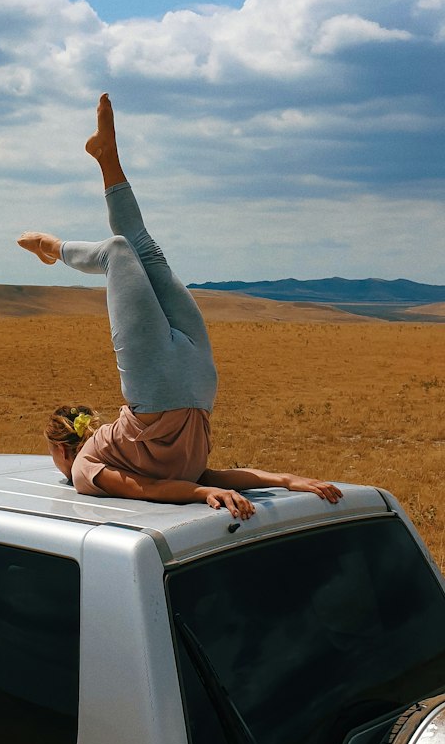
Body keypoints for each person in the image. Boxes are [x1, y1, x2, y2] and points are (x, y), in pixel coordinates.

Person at [18, 94, 342, 520]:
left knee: (128, 250)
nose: (59, 466)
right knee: (135, 251)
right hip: (190, 390)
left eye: (54, 456)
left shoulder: (84, 468)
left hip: (177, 389)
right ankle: (65, 224)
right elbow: (203, 478)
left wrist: (198, 493)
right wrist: (283, 480)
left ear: (63, 448)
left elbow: (152, 486)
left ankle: (95, 174)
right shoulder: (122, 465)